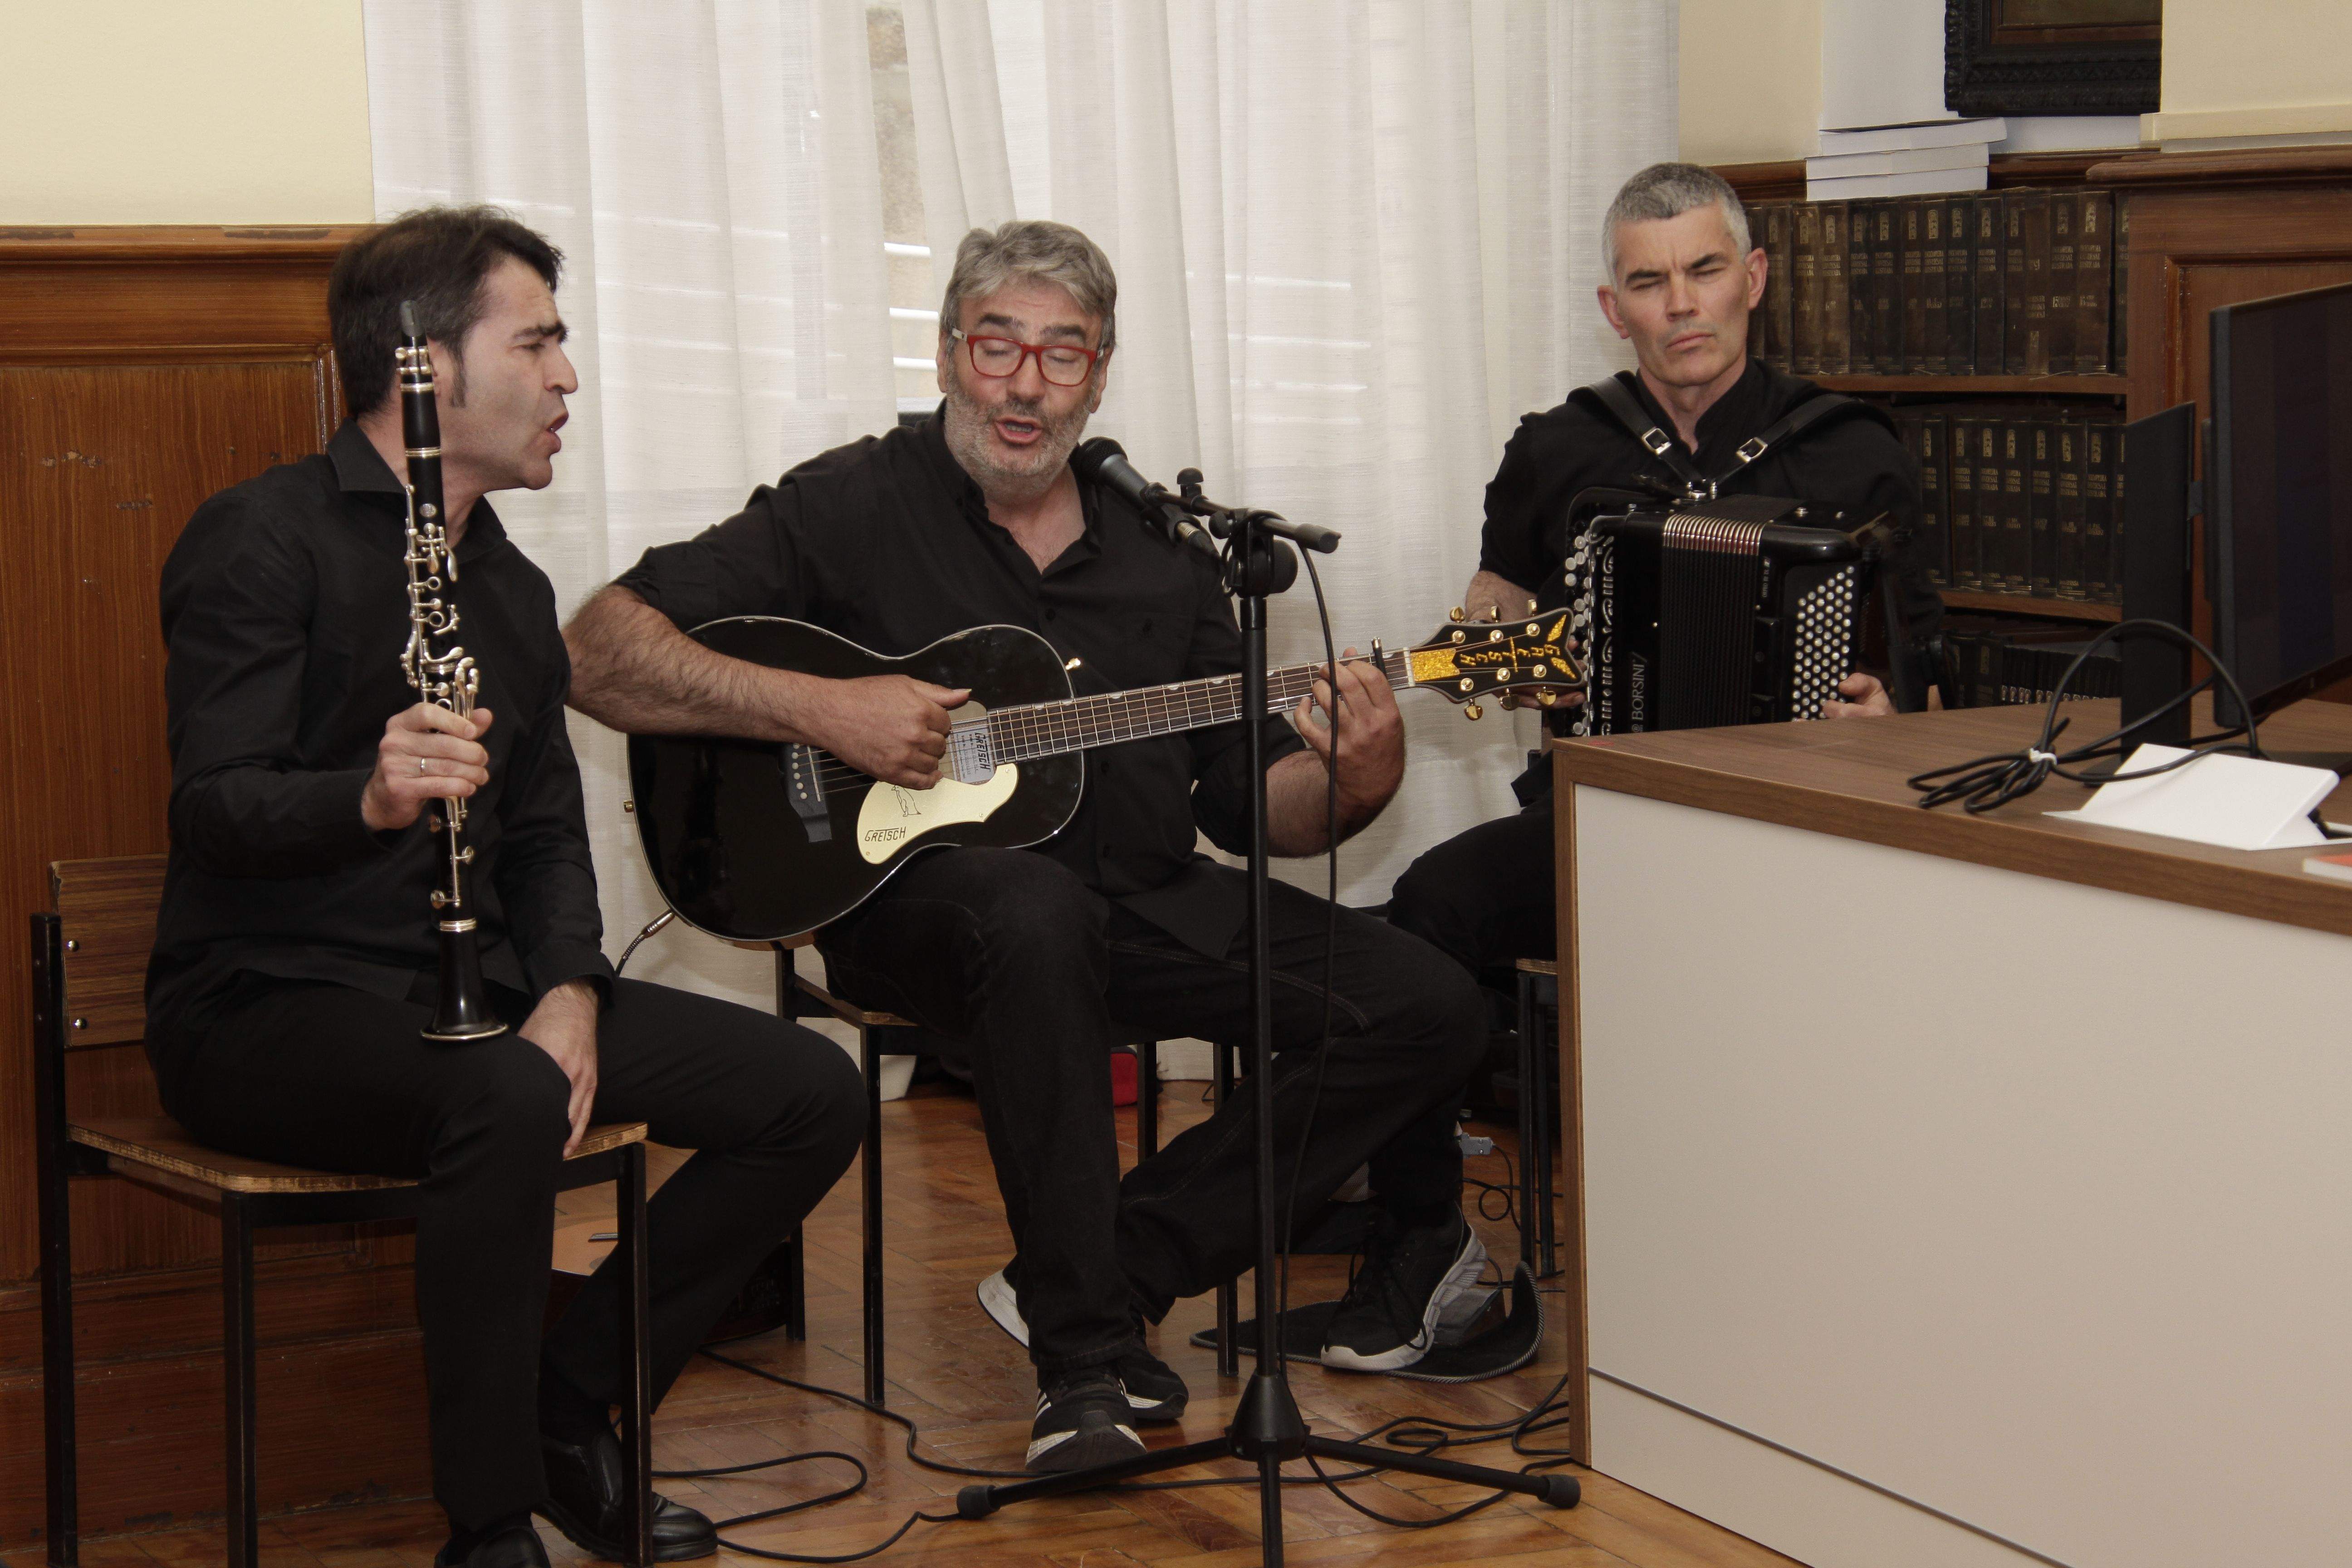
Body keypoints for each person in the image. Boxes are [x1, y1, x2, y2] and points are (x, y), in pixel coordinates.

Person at [563, 220, 1491, 1474]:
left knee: (1429, 1005)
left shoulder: (1166, 550)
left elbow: (1244, 807)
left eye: (1065, 353)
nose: (1027, 382)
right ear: (951, 354)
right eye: (1000, 345)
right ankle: (1089, 1362)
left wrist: (1357, 776)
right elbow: (600, 649)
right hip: (918, 916)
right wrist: (823, 709)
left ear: (1101, 376)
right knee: (1029, 915)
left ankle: (1120, 1262)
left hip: (1147, 904)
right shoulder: (847, 506)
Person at [146, 207, 864, 1568]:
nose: (566, 380)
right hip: (265, 1002)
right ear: (425, 367)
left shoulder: (515, 592)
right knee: (507, 1092)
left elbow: (543, 837)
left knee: (808, 1092)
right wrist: (362, 794)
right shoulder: (260, 541)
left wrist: (579, 991)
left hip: (472, 995)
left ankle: (565, 1399)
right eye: (537, 343)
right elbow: (213, 809)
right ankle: (486, 1524)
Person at [1386, 162, 1941, 984]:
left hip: (1802, 815)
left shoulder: (1855, 452)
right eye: (1649, 282)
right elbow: (1486, 634)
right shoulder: (1554, 448)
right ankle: (1452, 1115)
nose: (1680, 303)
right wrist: (1522, 675)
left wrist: (1888, 722)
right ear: (1615, 310)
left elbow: (1931, 677)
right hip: (1606, 807)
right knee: (1434, 899)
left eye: (1705, 271)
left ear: (1751, 280)